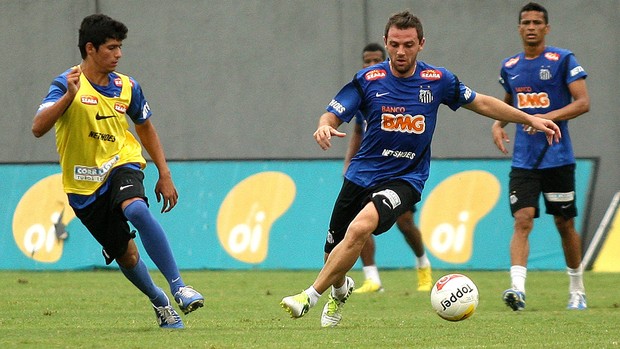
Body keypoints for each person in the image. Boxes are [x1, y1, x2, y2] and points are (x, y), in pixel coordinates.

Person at [280, 10, 561, 328]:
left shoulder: (437, 80)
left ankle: (309, 296)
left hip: (405, 178)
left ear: (421, 44)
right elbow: (332, 114)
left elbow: (481, 102)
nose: (401, 52)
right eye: (395, 44)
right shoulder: (368, 80)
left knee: (360, 228)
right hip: (361, 175)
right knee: (332, 254)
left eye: (409, 45)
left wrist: (529, 118)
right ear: (386, 42)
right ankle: (340, 291)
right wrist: (323, 126)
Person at [32, 14, 204, 329]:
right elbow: (38, 128)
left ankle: (179, 286)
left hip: (121, 163)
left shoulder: (128, 87)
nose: (118, 54)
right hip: (83, 187)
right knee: (127, 257)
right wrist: (68, 99)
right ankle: (159, 300)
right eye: (111, 48)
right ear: (90, 49)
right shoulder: (66, 83)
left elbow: (146, 128)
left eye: (120, 47)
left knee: (136, 208)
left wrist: (164, 174)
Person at [491, 2, 589, 311]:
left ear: (546, 28)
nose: (531, 26)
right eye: (526, 22)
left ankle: (577, 289)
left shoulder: (562, 60)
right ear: (519, 28)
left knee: (564, 223)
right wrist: (498, 123)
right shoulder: (510, 66)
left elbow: (583, 102)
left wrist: (548, 116)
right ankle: (517, 290)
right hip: (524, 160)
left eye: (537, 22)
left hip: (558, 156)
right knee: (522, 221)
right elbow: (510, 101)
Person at [344, 43, 432, 294]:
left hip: (401, 169)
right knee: (360, 223)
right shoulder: (364, 92)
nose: (371, 65)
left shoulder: (399, 90)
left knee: (405, 222)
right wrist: (349, 163)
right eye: (366, 61)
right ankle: (372, 279)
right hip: (369, 169)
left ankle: (422, 263)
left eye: (375, 60)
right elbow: (358, 132)